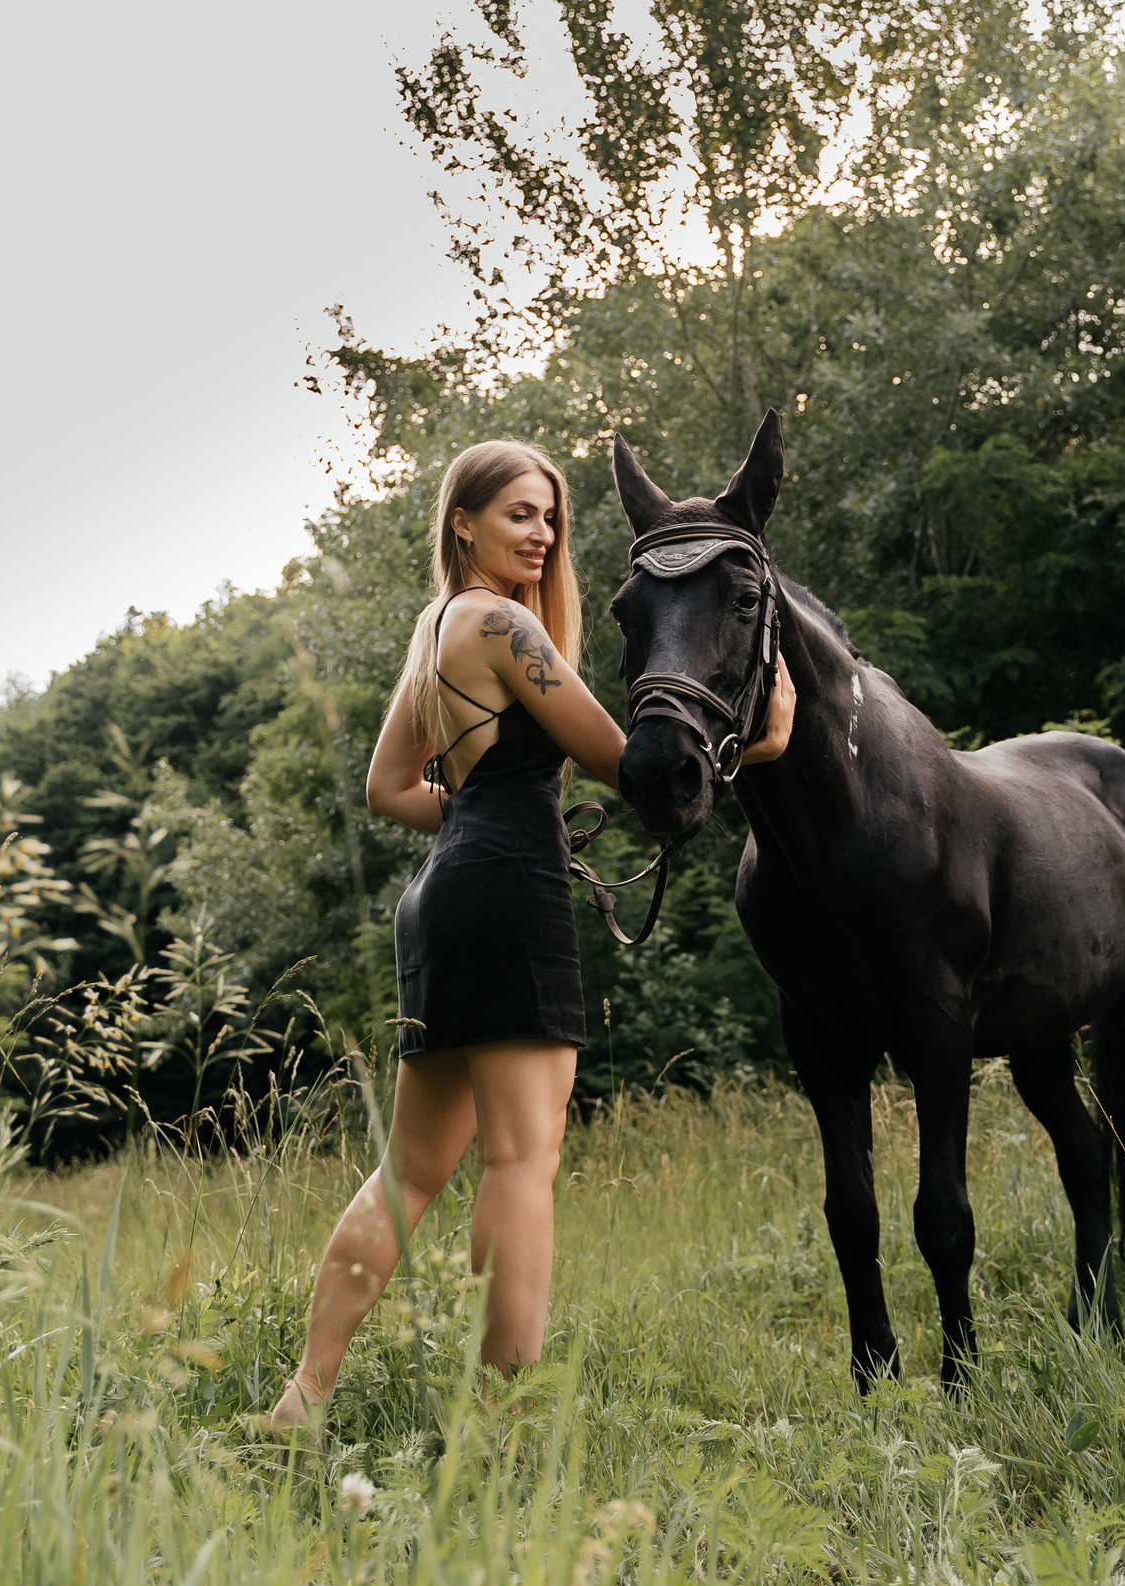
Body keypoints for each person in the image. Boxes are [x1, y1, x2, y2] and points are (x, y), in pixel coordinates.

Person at [267, 439, 794, 1440]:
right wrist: (762, 742)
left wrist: (490, 815)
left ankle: (306, 1394)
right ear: (462, 522)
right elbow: (628, 764)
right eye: (519, 513)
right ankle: (499, 1425)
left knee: (410, 1173)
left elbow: (388, 789)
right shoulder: (507, 626)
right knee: (520, 1163)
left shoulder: (439, 628)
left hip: (448, 891)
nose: (543, 533)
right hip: (508, 894)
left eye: (550, 516)